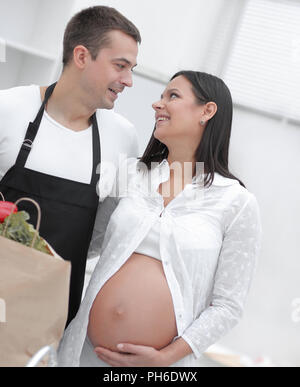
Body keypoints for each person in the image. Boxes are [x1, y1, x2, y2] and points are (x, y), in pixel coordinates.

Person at [57, 71, 262, 367]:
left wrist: (164, 358)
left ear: (207, 111)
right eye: (161, 96)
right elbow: (86, 244)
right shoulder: (131, 174)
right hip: (83, 353)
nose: (157, 104)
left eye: (173, 96)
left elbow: (227, 306)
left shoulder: (236, 202)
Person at [0, 6, 141, 325]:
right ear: (81, 56)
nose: (128, 81)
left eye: (131, 68)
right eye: (120, 66)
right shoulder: (6, 109)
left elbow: (105, 229)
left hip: (48, 322)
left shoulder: (123, 139)